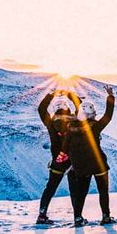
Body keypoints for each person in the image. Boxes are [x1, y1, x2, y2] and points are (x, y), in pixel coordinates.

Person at [63, 85, 116, 227]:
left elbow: (65, 148)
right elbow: (108, 116)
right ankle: (105, 216)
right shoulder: (95, 127)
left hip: (81, 167)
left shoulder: (71, 129)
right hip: (98, 164)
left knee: (81, 193)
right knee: (103, 191)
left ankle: (78, 217)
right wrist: (110, 97)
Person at [35, 89, 81, 224]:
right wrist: (70, 94)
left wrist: (51, 95)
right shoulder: (75, 120)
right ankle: (77, 217)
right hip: (73, 161)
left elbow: (41, 109)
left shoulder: (51, 123)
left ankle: (42, 215)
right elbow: (80, 106)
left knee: (50, 188)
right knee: (75, 190)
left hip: (58, 161)